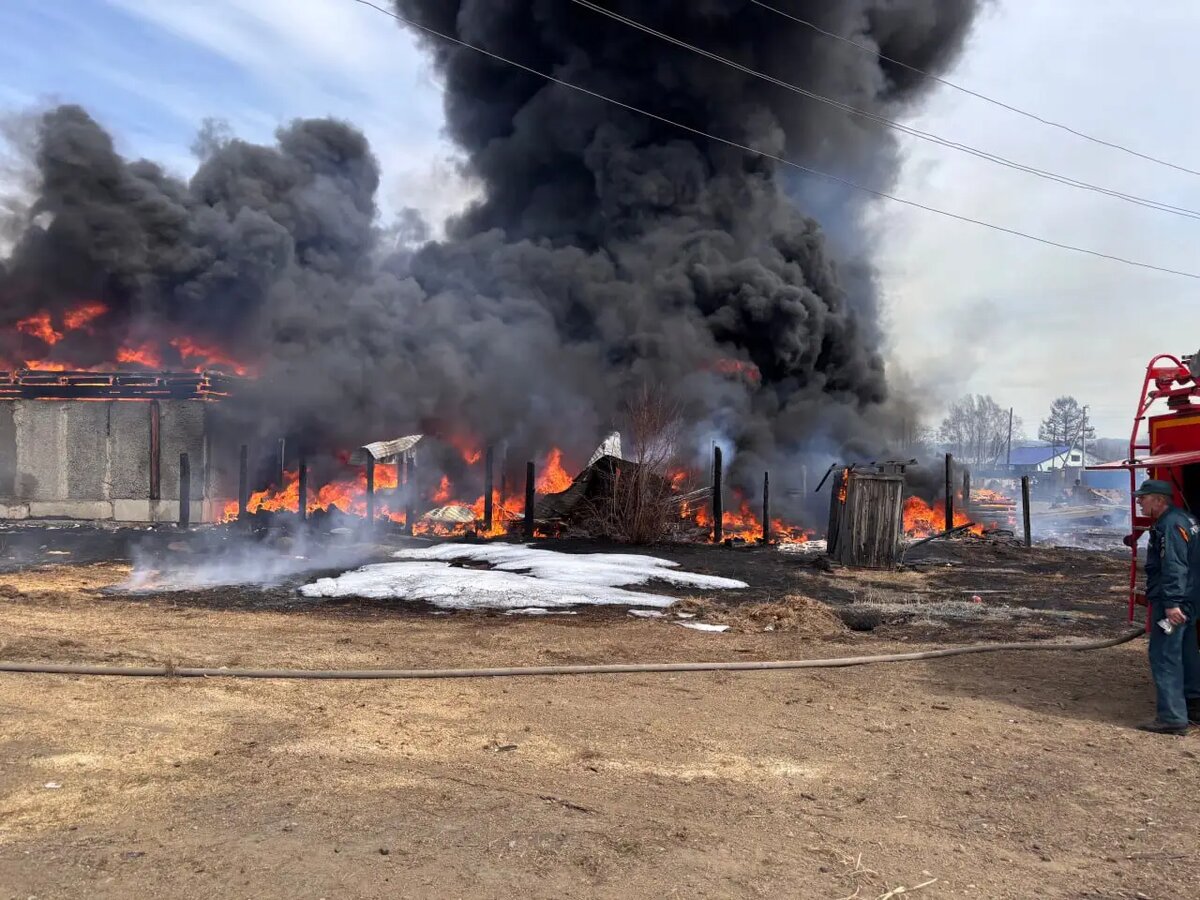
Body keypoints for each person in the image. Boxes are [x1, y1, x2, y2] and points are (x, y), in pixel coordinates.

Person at [1131, 480, 1200, 734]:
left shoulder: (1170, 525)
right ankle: (1194, 706)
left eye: (1143, 497)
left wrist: (1171, 603)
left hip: (1175, 602)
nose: (1139, 501)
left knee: (1164, 655)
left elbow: (1174, 566)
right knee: (1187, 651)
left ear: (1159, 500)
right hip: (1190, 599)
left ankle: (1171, 717)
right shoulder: (1185, 519)